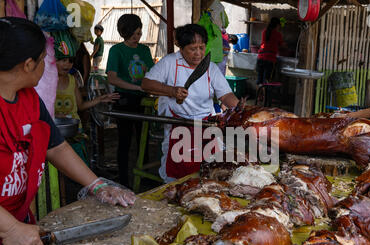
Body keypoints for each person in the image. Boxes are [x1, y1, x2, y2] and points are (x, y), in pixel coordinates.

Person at [0, 17, 136, 245]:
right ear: (28, 65)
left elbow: (56, 145)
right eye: (44, 59)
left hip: (22, 227)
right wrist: (10, 228)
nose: (47, 66)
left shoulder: (28, 97)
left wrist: (96, 185)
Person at [141, 24, 239, 183]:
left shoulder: (210, 68)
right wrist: (172, 91)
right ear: (181, 47)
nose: (198, 53)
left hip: (206, 125)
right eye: (193, 48)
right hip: (177, 124)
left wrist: (241, 109)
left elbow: (225, 94)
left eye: (201, 47)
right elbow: (146, 84)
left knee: (217, 167)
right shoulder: (170, 62)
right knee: (177, 175)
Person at [106, 14, 154, 187]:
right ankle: (124, 179)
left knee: (144, 141)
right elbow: (112, 78)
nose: (137, 38)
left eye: (139, 34)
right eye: (133, 34)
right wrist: (136, 87)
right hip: (125, 100)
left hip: (143, 100)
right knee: (124, 141)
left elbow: (153, 73)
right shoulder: (116, 50)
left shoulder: (144, 50)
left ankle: (145, 176)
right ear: (124, 33)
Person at [55, 42, 119, 164]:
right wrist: (56, 116)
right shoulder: (45, 82)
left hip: (74, 131)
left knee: (79, 166)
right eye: (63, 60)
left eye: (70, 61)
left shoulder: (73, 80)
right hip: (54, 132)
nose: (67, 64)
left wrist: (99, 99)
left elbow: (81, 106)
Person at [256, 17, 285, 85]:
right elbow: (282, 45)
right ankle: (264, 95)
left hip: (260, 57)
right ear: (277, 25)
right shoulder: (278, 34)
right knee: (266, 81)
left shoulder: (264, 32)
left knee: (259, 80)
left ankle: (258, 95)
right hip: (270, 59)